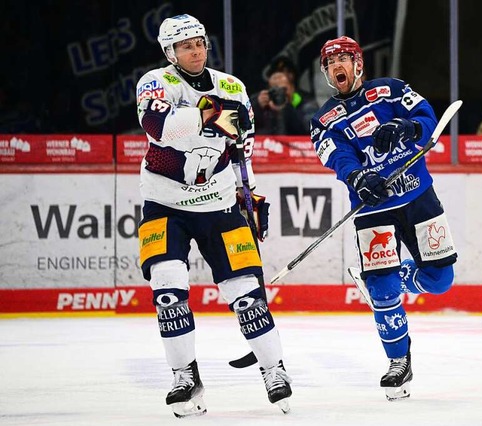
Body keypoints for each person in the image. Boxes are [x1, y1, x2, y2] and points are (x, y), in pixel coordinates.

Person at [135, 14, 292, 417]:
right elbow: (157, 127)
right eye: (185, 45)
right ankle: (184, 375)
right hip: (164, 202)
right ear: (170, 52)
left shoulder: (232, 87)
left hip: (220, 203)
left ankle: (274, 369)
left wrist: (249, 193)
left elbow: (242, 148)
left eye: (200, 42)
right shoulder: (155, 82)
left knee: (247, 295)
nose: (196, 50)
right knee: (168, 289)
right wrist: (211, 116)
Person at [309, 36, 457, 401]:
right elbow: (338, 156)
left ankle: (398, 278)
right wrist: (358, 177)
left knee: (441, 280)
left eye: (343, 58)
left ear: (358, 64)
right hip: (372, 207)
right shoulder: (322, 120)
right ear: (327, 72)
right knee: (383, 289)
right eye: (330, 63)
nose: (337, 66)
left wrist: (408, 129)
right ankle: (398, 361)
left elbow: (426, 117)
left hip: (418, 196)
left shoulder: (391, 91)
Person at [251, 70, 318, 135]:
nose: (280, 93)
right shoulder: (263, 106)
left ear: (292, 88)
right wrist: (257, 107)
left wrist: (286, 108)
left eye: (283, 89)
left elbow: (309, 131)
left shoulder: (307, 104)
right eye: (275, 89)